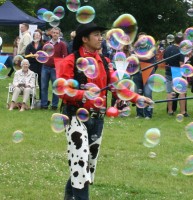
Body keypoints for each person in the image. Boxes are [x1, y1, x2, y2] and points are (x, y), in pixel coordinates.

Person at [55, 22, 152, 200]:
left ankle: (69, 197)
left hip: (97, 119)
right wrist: (84, 94)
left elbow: (117, 87)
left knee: (87, 165)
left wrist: (138, 98)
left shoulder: (105, 62)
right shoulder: (70, 60)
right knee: (81, 162)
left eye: (101, 35)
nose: (101, 38)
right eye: (97, 35)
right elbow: (62, 90)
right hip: (75, 117)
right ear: (84, 39)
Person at [41, 27, 68, 110]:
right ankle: (44, 105)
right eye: (54, 32)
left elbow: (65, 57)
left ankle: (54, 105)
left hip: (55, 69)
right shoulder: (47, 43)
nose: (55, 34)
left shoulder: (62, 44)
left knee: (55, 87)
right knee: (44, 87)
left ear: (59, 34)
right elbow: (43, 54)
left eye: (57, 33)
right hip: (45, 67)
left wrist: (60, 67)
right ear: (51, 34)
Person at [132, 32, 157, 119]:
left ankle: (148, 114)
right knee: (138, 93)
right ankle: (139, 114)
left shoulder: (152, 48)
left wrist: (136, 55)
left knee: (147, 93)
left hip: (149, 71)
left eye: (143, 38)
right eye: (139, 39)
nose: (141, 40)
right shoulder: (136, 48)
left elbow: (147, 57)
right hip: (137, 72)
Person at [163, 34, 188, 117]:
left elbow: (165, 60)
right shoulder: (181, 50)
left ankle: (170, 111)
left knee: (169, 92)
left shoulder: (168, 48)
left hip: (168, 71)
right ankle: (183, 111)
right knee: (181, 92)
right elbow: (181, 64)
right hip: (177, 72)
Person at [25, 30, 44, 99]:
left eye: (39, 35)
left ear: (41, 37)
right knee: (31, 84)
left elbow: (45, 56)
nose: (38, 36)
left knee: (41, 84)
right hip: (32, 67)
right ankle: (32, 100)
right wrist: (32, 56)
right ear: (33, 36)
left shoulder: (43, 45)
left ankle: (41, 100)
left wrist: (39, 56)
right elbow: (26, 56)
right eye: (36, 35)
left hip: (41, 67)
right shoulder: (29, 45)